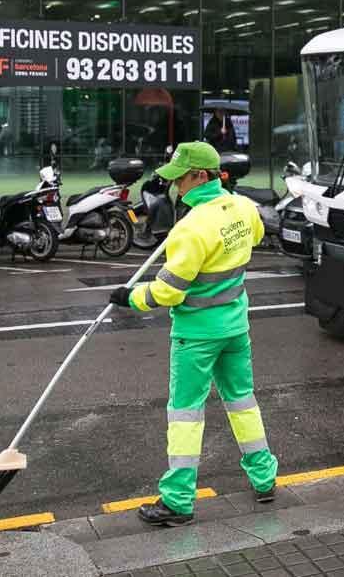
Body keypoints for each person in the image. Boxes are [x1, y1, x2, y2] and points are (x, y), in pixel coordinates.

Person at [108, 141, 277, 526]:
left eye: (180, 180)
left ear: (200, 176)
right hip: (235, 328)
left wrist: (130, 298)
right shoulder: (242, 207)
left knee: (185, 414)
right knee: (242, 402)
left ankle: (178, 501)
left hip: (196, 337)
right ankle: (265, 479)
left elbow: (169, 291)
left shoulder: (191, 228)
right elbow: (252, 238)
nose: (175, 188)